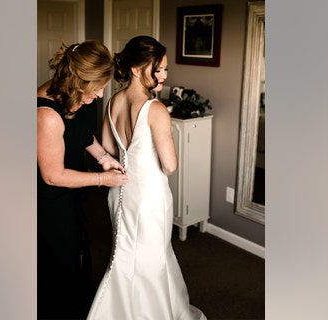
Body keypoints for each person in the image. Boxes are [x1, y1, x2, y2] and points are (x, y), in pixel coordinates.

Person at [87, 35, 207, 319]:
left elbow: (106, 145)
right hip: (150, 197)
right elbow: (169, 166)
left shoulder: (114, 100)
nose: (164, 74)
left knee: (125, 258)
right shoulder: (155, 110)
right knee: (152, 261)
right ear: (137, 69)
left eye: (165, 68)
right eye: (159, 68)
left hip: (120, 194)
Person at [37, 40, 129, 319]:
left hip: (71, 191)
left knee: (77, 255)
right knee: (57, 268)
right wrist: (102, 179)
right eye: (97, 87)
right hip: (47, 201)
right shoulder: (46, 114)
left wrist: (103, 157)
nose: (101, 95)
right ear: (77, 80)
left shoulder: (78, 96)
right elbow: (53, 176)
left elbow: (82, 134)